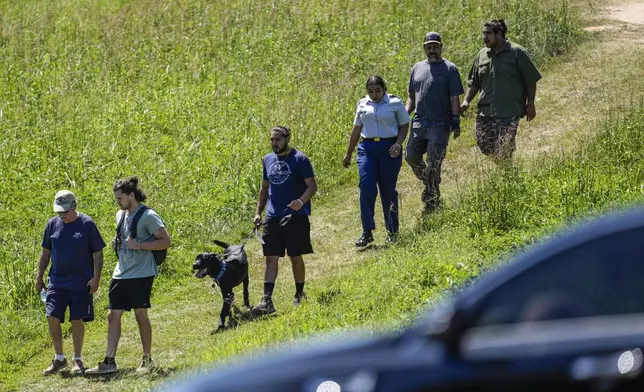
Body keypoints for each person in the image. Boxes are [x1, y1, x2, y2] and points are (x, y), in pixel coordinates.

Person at [85, 176, 171, 375]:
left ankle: (147, 358)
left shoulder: (149, 215)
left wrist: (140, 245)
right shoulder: (120, 215)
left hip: (142, 273)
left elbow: (166, 241)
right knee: (112, 315)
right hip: (121, 272)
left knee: (141, 315)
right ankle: (109, 361)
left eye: (120, 198)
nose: (118, 202)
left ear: (132, 195)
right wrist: (118, 242)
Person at [36, 190, 106, 375]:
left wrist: (96, 277)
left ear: (74, 206)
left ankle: (77, 359)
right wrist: (39, 276)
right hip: (57, 282)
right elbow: (45, 253)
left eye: (65, 212)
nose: (62, 215)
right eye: (59, 212)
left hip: (80, 282)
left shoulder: (87, 224)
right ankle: (59, 358)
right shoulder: (52, 224)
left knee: (77, 319)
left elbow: (98, 253)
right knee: (51, 316)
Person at [252, 126, 317, 315]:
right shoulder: (267, 159)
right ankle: (267, 300)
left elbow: (312, 187)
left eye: (278, 140)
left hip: (295, 217)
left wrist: (300, 201)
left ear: (287, 138)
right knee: (270, 258)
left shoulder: (300, 159)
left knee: (295, 257)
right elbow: (264, 189)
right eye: (272, 140)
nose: (274, 143)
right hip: (272, 216)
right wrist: (258, 213)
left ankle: (299, 293)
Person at [460, 19, 542, 163]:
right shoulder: (482, 54)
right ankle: (504, 167)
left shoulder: (517, 52)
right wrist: (466, 101)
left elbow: (530, 79)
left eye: (488, 34)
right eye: (483, 34)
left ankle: (507, 173)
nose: (484, 37)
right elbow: (474, 82)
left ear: (499, 34)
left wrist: (531, 103)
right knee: (484, 144)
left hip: (509, 111)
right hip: (485, 111)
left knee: (504, 146)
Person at [343, 75, 410, 246]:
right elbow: (356, 130)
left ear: (384, 89)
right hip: (367, 148)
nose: (374, 95)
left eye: (378, 91)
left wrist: (398, 144)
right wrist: (349, 153)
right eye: (370, 91)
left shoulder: (394, 102)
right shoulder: (362, 104)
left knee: (387, 190)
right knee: (366, 187)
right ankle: (367, 232)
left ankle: (393, 231)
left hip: (389, 148)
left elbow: (404, 125)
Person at [405, 32, 464, 214]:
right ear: (424, 48)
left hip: (439, 125)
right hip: (419, 123)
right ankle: (431, 184)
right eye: (429, 47)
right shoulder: (417, 68)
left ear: (441, 47)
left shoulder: (450, 69)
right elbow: (411, 96)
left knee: (433, 163)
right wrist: (404, 115)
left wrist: (455, 121)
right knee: (411, 156)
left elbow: (454, 97)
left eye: (435, 47)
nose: (432, 50)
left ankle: (432, 197)